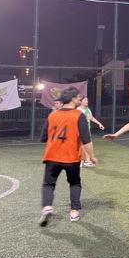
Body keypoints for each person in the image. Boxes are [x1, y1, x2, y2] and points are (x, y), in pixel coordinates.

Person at [39, 86, 98, 227]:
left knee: (48, 184)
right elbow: (86, 139)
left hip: (52, 157)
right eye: (78, 97)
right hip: (71, 157)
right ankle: (74, 211)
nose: (80, 99)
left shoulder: (53, 115)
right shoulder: (78, 115)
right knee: (74, 183)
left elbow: (43, 137)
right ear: (72, 99)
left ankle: (47, 207)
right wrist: (92, 156)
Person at [78, 96, 105, 167]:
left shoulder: (88, 110)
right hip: (80, 131)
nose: (87, 101)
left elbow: (91, 118)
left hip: (87, 130)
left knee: (87, 146)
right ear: (80, 102)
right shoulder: (78, 110)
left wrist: (99, 123)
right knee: (84, 146)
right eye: (85, 100)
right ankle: (84, 161)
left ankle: (85, 161)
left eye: (87, 100)